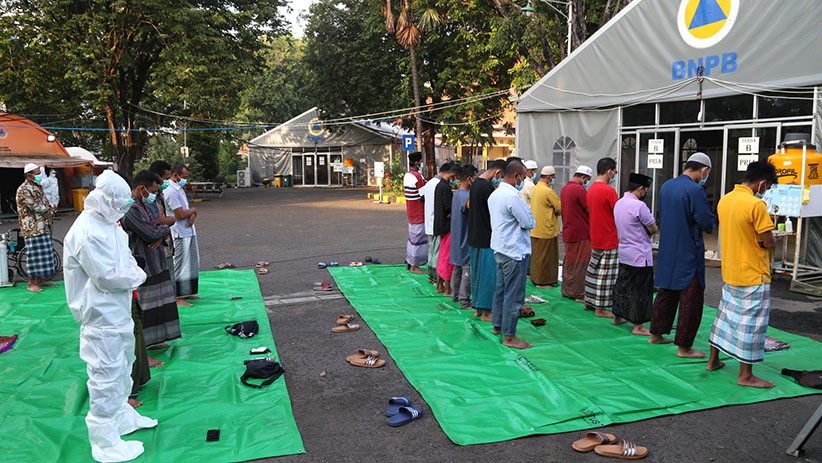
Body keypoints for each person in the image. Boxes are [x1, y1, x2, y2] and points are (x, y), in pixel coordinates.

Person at [63, 170, 158, 462]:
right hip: (99, 317)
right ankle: (104, 441)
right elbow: (107, 276)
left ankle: (122, 417)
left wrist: (132, 273)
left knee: (123, 365)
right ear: (105, 199)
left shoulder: (109, 224)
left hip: (117, 311)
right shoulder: (87, 232)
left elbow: (125, 260)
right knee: (105, 375)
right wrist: (137, 275)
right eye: (119, 202)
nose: (123, 208)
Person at [707, 161, 778, 388]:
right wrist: (765, 241)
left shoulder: (725, 200)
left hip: (731, 270)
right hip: (753, 274)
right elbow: (768, 241)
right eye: (767, 187)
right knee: (751, 325)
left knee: (725, 318)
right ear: (762, 183)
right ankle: (745, 375)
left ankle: (713, 360)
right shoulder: (756, 205)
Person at [650, 152, 715, 358]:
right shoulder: (695, 190)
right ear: (704, 170)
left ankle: (656, 333)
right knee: (691, 300)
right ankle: (684, 347)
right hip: (688, 251)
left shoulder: (667, 185)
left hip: (668, 249)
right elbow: (706, 222)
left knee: (665, 293)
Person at [120, 170, 181, 359]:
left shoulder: (148, 204)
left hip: (157, 260)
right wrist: (161, 231)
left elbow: (157, 224)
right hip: (143, 262)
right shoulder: (131, 209)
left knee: (161, 301)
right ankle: (144, 345)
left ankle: (156, 340)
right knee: (146, 305)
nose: (155, 194)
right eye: (152, 190)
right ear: (141, 188)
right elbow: (150, 232)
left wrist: (159, 231)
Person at [489, 159, 536, 349]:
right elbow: (528, 222)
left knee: (501, 290)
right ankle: (510, 336)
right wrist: (529, 215)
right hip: (514, 251)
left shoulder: (495, 194)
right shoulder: (512, 197)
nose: (523, 181)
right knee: (514, 295)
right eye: (523, 178)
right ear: (516, 176)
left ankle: (498, 325)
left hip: (501, 248)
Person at [612, 173, 658, 336]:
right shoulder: (639, 206)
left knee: (623, 285)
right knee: (641, 291)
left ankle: (617, 315)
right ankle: (638, 325)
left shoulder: (619, 203)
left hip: (624, 251)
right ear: (640, 189)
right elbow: (653, 228)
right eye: (645, 190)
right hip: (639, 254)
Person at [468, 159, 507, 321]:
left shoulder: (476, 184)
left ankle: (477, 307)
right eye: (501, 176)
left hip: (474, 235)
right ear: (497, 173)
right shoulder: (488, 188)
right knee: (488, 276)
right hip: (486, 237)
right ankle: (487, 312)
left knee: (476, 274)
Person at [584, 158, 620, 318]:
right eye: (615, 171)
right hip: (609, 237)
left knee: (594, 270)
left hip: (596, 235)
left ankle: (590, 301)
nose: (615, 175)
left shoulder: (591, 189)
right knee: (606, 275)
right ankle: (601, 308)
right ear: (609, 171)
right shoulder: (609, 191)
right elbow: (619, 213)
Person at [16, 163, 57, 292]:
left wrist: (51, 208)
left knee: (45, 254)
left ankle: (40, 280)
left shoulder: (37, 187)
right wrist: (49, 210)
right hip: (32, 227)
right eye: (37, 173)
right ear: (29, 176)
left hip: (43, 226)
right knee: (34, 256)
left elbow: (44, 203)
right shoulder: (24, 189)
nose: (40, 175)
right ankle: (31, 283)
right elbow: (34, 206)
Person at [165, 164, 200, 306]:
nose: (185, 180)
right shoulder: (170, 191)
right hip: (179, 232)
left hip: (188, 230)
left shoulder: (179, 189)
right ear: (175, 175)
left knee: (191, 262)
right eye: (183, 177)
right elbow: (179, 214)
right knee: (180, 264)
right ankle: (178, 296)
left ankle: (187, 291)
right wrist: (193, 210)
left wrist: (192, 214)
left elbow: (186, 212)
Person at [560, 166, 593, 301]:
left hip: (568, 230)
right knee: (581, 263)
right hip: (581, 232)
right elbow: (589, 209)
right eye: (587, 180)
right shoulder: (579, 190)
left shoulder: (565, 189)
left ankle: (567, 290)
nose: (586, 183)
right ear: (583, 177)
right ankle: (579, 293)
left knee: (569, 262)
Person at [450, 164, 477, 310]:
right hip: (465, 238)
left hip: (456, 236)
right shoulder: (467, 197)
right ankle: (464, 300)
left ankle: (455, 296)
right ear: (469, 179)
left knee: (458, 268)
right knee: (467, 270)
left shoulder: (456, 194)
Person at [529, 166, 562, 288]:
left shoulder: (536, 188)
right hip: (546, 228)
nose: (553, 179)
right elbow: (560, 208)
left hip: (535, 228)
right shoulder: (548, 191)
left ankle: (535, 278)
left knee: (537, 257)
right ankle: (543, 282)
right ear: (548, 177)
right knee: (547, 258)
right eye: (553, 177)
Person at [148, 161, 178, 291]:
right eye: (165, 179)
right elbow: (157, 220)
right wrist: (172, 220)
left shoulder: (159, 194)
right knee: (162, 278)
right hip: (157, 243)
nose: (167, 182)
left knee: (169, 273)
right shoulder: (149, 197)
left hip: (165, 241)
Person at [434, 163, 460, 295]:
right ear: (451, 174)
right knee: (447, 257)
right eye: (455, 176)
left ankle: (439, 284)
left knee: (442, 255)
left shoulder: (439, 186)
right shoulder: (445, 187)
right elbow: (450, 209)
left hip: (440, 225)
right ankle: (447, 287)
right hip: (447, 227)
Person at [419, 163, 444, 285]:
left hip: (429, 220)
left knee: (431, 250)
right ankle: (435, 278)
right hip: (436, 221)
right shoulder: (439, 185)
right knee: (437, 250)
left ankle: (430, 275)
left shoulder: (428, 184)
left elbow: (421, 197)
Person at [403, 151, 427, 275]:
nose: (422, 164)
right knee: (418, 240)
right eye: (421, 162)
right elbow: (423, 194)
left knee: (412, 238)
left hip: (411, 211)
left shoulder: (408, 175)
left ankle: (409, 262)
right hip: (419, 212)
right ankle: (415, 265)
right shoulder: (417, 177)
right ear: (417, 163)